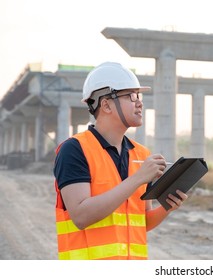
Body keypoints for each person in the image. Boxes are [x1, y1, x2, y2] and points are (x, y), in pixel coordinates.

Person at [53, 61, 188, 260]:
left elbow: (141, 222)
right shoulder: (74, 149)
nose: (139, 102)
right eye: (131, 96)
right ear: (106, 104)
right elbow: (81, 216)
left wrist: (167, 207)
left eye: (139, 96)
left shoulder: (141, 154)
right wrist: (137, 179)